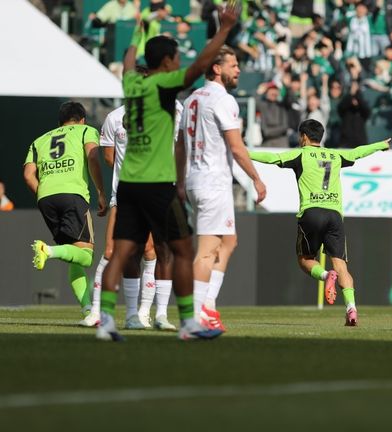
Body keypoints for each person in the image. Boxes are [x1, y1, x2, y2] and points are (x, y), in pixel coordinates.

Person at [97, 2, 240, 342]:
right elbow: (200, 67)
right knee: (184, 250)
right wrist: (224, 29)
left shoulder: (131, 84)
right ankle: (189, 321)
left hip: (128, 183)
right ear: (165, 62)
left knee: (122, 251)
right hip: (157, 184)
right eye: (176, 57)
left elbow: (128, 61)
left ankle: (106, 321)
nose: (179, 62)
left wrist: (138, 33)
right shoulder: (164, 85)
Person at [248, 119, 391, 326]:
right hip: (335, 215)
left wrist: (243, 153)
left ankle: (326, 276)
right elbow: (357, 152)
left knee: (305, 260)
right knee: (342, 266)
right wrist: (380, 145)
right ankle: (351, 308)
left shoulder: (301, 154)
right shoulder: (335, 155)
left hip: (311, 213)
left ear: (304, 137)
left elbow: (272, 158)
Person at [86, 74, 183, 330]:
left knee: (155, 250)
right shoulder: (115, 117)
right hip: (125, 194)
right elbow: (109, 157)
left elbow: (180, 145)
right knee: (113, 251)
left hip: (161, 192)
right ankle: (98, 311)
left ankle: (149, 313)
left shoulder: (172, 110)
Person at [181, 45, 267, 331]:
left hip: (196, 179)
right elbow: (237, 146)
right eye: (233, 64)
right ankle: (194, 317)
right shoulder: (223, 99)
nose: (238, 69)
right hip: (213, 181)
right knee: (206, 251)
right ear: (217, 69)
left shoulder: (191, 99)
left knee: (228, 241)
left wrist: (180, 181)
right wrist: (256, 178)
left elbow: (180, 145)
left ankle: (208, 304)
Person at [24, 102, 108, 323]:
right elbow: (92, 157)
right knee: (86, 256)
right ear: (82, 119)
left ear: (60, 121)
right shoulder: (86, 131)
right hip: (72, 195)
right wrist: (101, 192)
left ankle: (88, 311)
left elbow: (28, 175)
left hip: (45, 197)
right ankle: (48, 250)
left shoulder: (39, 140)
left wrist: (44, 194)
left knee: (74, 258)